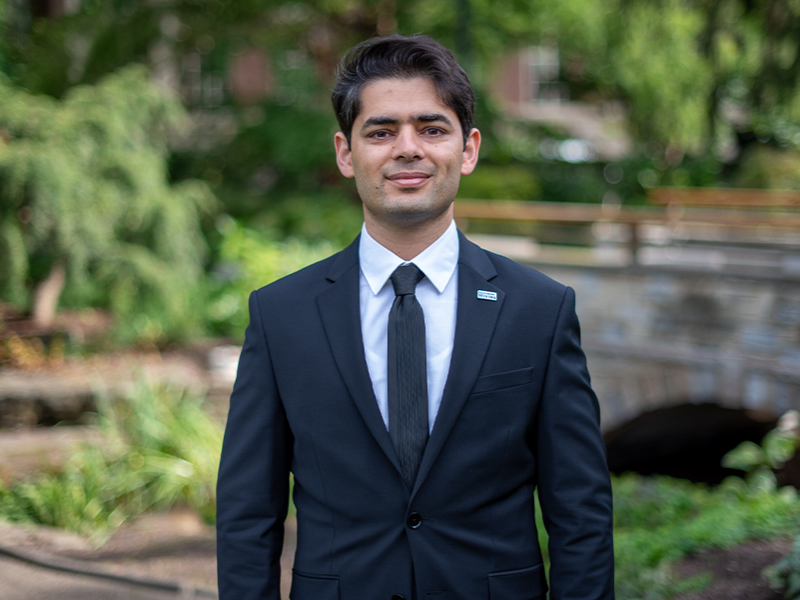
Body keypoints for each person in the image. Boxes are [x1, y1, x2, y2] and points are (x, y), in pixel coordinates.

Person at [216, 34, 614, 600]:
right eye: (381, 131)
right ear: (345, 153)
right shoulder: (281, 315)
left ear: (468, 149)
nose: (408, 148)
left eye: (431, 128)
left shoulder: (540, 310)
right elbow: (246, 513)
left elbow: (581, 512)